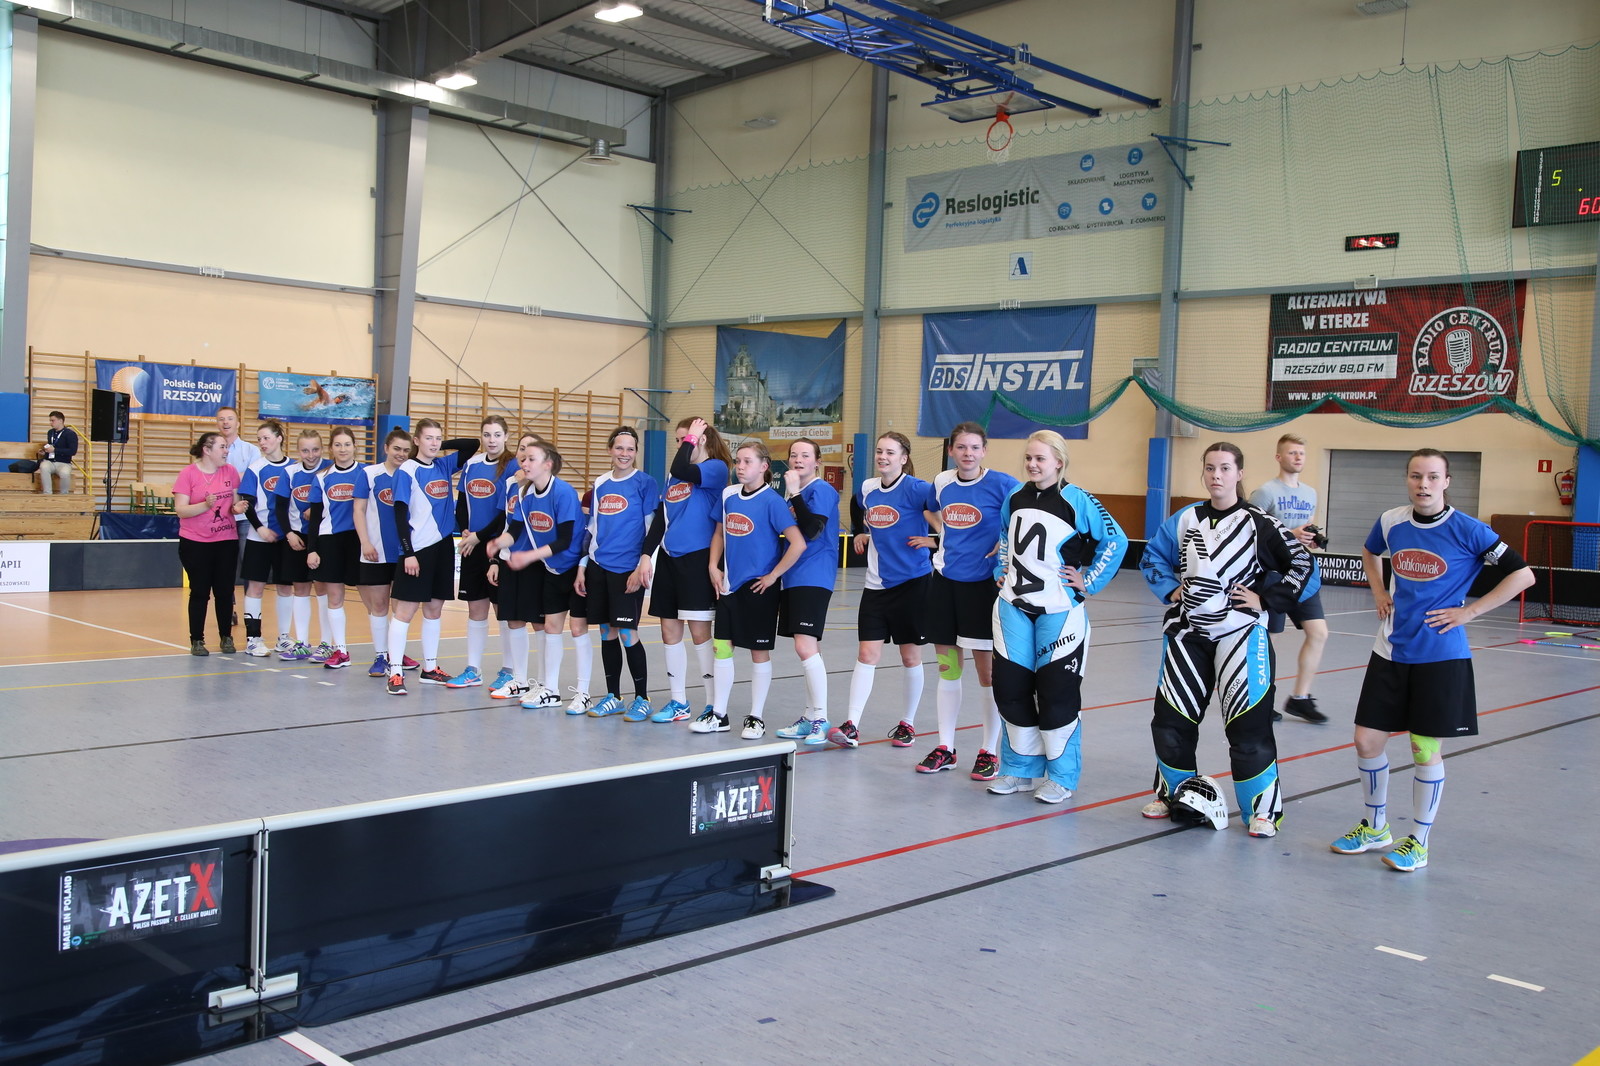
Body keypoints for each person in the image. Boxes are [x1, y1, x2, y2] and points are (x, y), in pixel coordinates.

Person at [1329, 448, 1533, 872]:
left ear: (1446, 481)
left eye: (1433, 477)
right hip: (1390, 650)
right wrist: (1379, 591)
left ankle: (1419, 841)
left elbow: (1522, 574)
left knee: (1424, 749)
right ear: (1407, 479)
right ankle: (1376, 827)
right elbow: (1370, 552)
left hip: (1440, 656)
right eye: (1416, 476)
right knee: (1367, 740)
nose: (1423, 484)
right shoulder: (1391, 521)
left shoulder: (1469, 530)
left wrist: (1469, 612)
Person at [1139, 442, 1313, 837]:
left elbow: (1302, 563)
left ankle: (1261, 812)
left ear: (1239, 474)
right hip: (1186, 635)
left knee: (1248, 728)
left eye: (1225, 468)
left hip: (1241, 636)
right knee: (1170, 722)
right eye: (1210, 468)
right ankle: (1173, 795)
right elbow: (1152, 557)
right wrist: (1170, 589)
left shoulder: (1259, 523)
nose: (1216, 475)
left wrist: (1267, 599)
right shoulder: (1185, 519)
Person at [985, 431, 1127, 803]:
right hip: (1013, 607)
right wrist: (1001, 569)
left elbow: (1116, 540)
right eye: (1028, 458)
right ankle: (1019, 771)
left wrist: (1089, 581)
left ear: (1058, 462)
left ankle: (1061, 777)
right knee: (1010, 691)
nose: (1032, 465)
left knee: (1056, 694)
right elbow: (1005, 536)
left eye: (1040, 459)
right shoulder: (1015, 496)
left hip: (1060, 611)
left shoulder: (1077, 499)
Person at [913, 422, 1020, 779]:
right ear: (951, 451)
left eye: (974, 447)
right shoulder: (942, 482)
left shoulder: (1003, 485)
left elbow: (1024, 517)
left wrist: (1005, 541)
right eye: (961, 447)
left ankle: (989, 750)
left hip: (983, 588)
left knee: (987, 673)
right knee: (948, 668)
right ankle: (946, 747)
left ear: (984, 451)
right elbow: (929, 509)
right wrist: (940, 534)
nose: (968, 453)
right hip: (945, 584)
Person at [690, 441, 807, 739]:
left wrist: (773, 576)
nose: (740, 467)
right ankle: (719, 714)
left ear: (764, 467)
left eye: (747, 462)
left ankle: (756, 718)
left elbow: (798, 543)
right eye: (738, 461)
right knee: (722, 648)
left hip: (758, 589)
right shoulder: (729, 495)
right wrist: (713, 565)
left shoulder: (772, 501)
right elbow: (719, 532)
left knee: (758, 652)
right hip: (729, 586)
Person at [827, 431, 933, 750]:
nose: (883, 457)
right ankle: (852, 725)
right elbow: (857, 505)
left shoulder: (918, 489)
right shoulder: (868, 488)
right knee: (866, 654)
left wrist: (936, 541)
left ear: (904, 458)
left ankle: (907, 724)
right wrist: (861, 531)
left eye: (890, 452)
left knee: (910, 656)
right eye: (879, 451)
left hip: (913, 583)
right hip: (875, 585)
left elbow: (950, 513)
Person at [487, 438, 583, 709]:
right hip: (550, 567)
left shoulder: (563, 493)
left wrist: (529, 556)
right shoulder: (525, 495)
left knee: (578, 630)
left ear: (547, 464)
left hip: (571, 566)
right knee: (551, 627)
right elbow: (515, 530)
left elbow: (565, 540)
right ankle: (549, 689)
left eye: (531, 459)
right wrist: (497, 544)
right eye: (524, 458)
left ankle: (580, 690)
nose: (525, 463)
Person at [386, 419, 479, 694]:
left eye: (438, 438)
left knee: (434, 609)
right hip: (417, 549)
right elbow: (399, 515)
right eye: (428, 438)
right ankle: (395, 672)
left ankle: (429, 668)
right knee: (405, 612)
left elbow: (472, 445)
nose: (434, 443)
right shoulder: (407, 470)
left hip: (443, 546)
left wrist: (441, 446)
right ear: (416, 440)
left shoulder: (443, 465)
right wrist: (408, 553)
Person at [578, 426, 664, 722]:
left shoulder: (645, 483)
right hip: (598, 567)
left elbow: (653, 528)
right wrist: (583, 566)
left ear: (636, 452)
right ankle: (613, 696)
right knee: (606, 632)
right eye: (619, 448)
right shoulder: (601, 483)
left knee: (628, 633)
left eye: (630, 448)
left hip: (628, 569)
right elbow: (592, 529)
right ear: (610, 450)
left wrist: (642, 565)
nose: (624, 454)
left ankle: (642, 698)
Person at [648, 417, 730, 723]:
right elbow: (662, 516)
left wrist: (692, 439)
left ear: (701, 440)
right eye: (679, 441)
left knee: (699, 632)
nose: (681, 446)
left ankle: (712, 703)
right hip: (669, 558)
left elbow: (683, 468)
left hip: (697, 559)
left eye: (686, 440)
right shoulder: (675, 476)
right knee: (669, 630)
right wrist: (646, 554)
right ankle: (678, 701)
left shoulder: (715, 468)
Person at [1249, 433, 1330, 723]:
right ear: (1279, 457)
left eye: (1301, 453)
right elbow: (1250, 533)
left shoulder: (1310, 493)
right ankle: (1260, 698)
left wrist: (1309, 539)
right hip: (1273, 576)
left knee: (1318, 633)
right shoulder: (1265, 493)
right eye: (1292, 452)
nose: (1298, 457)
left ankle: (1300, 698)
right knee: (1268, 638)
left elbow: (1303, 530)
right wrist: (1289, 534)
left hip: (1302, 572)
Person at [771, 437, 842, 745]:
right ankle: (810, 716)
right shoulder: (792, 496)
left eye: (805, 455)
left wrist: (796, 493)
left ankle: (821, 719)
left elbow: (812, 530)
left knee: (804, 647)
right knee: (808, 647)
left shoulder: (820, 490)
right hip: (793, 576)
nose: (798, 459)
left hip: (814, 574)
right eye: (793, 455)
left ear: (817, 462)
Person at [448, 416, 518, 692]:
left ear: (506, 436)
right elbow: (462, 503)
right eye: (487, 434)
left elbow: (505, 514)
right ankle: (473, 670)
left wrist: (480, 537)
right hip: (472, 545)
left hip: (498, 547)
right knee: (475, 609)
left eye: (497, 434)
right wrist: (466, 531)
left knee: (503, 611)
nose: (491, 440)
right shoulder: (472, 464)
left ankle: (509, 671)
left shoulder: (513, 466)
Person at [351, 427, 419, 677]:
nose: (401, 454)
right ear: (386, 448)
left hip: (404, 553)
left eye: (406, 450)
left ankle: (396, 654)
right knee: (379, 605)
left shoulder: (413, 473)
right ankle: (381, 656)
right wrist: (365, 542)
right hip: (376, 552)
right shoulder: (370, 474)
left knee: (401, 609)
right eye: (396, 449)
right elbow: (358, 510)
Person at [172, 432, 239, 656]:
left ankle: (226, 636)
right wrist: (205, 505)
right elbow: (181, 510)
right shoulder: (188, 474)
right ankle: (197, 640)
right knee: (200, 591)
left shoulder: (230, 472)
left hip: (226, 540)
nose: (226, 451)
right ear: (207, 450)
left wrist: (238, 508)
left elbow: (234, 504)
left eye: (226, 446)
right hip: (195, 542)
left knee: (225, 591)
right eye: (222, 447)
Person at [302, 427, 364, 669]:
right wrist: (312, 549)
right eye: (338, 445)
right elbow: (315, 517)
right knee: (335, 597)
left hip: (360, 540)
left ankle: (387, 652)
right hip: (331, 540)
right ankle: (341, 650)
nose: (343, 449)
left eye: (347, 444)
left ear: (355, 446)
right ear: (331, 448)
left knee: (374, 599)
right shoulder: (322, 477)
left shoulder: (365, 473)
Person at [236, 421, 296, 657]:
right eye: (259, 439)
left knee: (285, 587)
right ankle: (253, 639)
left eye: (266, 438)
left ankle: (284, 638)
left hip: (286, 538)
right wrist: (260, 528)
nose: (262, 443)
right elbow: (247, 503)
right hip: (259, 537)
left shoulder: (294, 467)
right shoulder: (256, 468)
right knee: (255, 586)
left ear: (279, 438)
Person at [273, 429, 332, 662]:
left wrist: (316, 510)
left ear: (322, 448)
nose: (311, 455)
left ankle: (327, 643)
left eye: (315, 449)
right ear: (298, 451)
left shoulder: (329, 469)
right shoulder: (290, 473)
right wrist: (288, 533)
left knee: (323, 588)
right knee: (300, 588)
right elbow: (280, 507)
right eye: (305, 450)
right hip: (297, 537)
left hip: (323, 536)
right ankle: (302, 642)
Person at [38, 411, 79, 495]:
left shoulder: (70, 434)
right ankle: (47, 493)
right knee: (43, 466)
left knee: (65, 473)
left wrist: (55, 450)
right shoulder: (50, 432)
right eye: (50, 421)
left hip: (64, 463)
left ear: (60, 421)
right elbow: (52, 446)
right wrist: (45, 452)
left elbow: (72, 451)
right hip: (50, 461)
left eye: (53, 420)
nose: (51, 423)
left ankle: (64, 494)